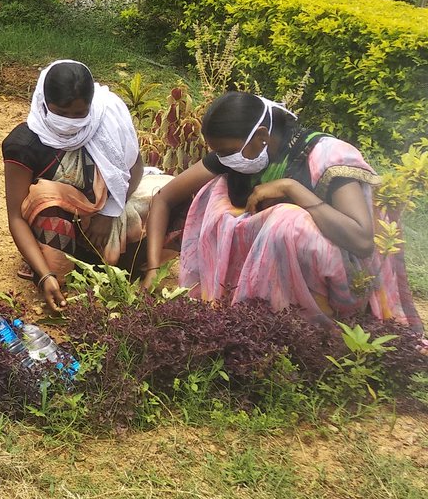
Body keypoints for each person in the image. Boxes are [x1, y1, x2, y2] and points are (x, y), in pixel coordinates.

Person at [143, 92, 422, 330]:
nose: (224, 159)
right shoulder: (238, 156)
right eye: (220, 153)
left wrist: (292, 189)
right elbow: (164, 199)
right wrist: (154, 269)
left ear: (261, 136)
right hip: (260, 282)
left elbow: (361, 241)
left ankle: (308, 329)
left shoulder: (327, 156)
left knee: (285, 221)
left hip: (342, 284)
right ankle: (249, 316)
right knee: (215, 197)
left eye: (228, 151)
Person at [2, 60, 154, 313]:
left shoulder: (106, 123)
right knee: (48, 199)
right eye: (61, 112)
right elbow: (16, 217)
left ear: (91, 107)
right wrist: (44, 276)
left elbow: (134, 168)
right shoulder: (24, 144)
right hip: (59, 226)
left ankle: (122, 266)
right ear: (44, 104)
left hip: (108, 216)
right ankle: (48, 267)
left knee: (170, 202)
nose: (71, 121)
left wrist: (109, 213)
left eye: (79, 114)